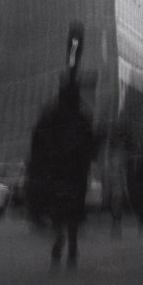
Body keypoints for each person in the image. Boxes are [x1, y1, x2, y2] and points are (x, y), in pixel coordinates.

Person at [27, 79, 96, 267]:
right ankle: (72, 245)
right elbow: (90, 146)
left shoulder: (50, 115)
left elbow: (37, 142)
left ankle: (60, 237)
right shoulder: (82, 117)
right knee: (74, 209)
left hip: (55, 170)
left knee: (58, 208)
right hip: (74, 172)